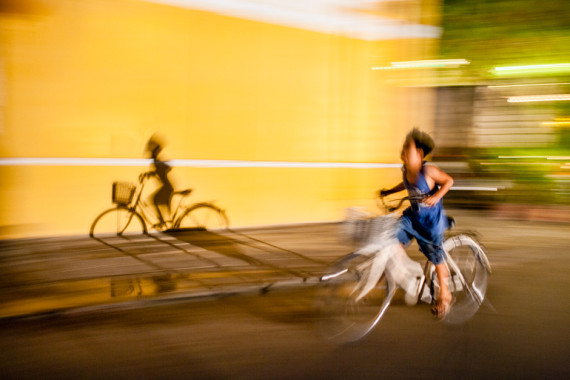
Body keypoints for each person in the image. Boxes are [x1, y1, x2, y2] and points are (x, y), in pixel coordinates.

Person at [380, 128, 454, 319]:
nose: (403, 150)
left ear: (420, 154)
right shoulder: (406, 170)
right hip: (412, 218)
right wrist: (389, 192)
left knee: (436, 258)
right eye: (404, 147)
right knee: (391, 238)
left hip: (431, 224)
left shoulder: (428, 171)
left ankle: (445, 295)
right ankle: (400, 273)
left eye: (408, 147)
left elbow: (449, 181)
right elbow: (404, 185)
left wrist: (436, 196)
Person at [145, 135, 174, 228]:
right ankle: (163, 221)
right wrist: (150, 174)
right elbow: (160, 171)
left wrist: (153, 173)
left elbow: (165, 168)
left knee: (154, 200)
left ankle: (162, 221)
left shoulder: (157, 161)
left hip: (167, 187)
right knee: (157, 202)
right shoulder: (156, 161)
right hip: (166, 186)